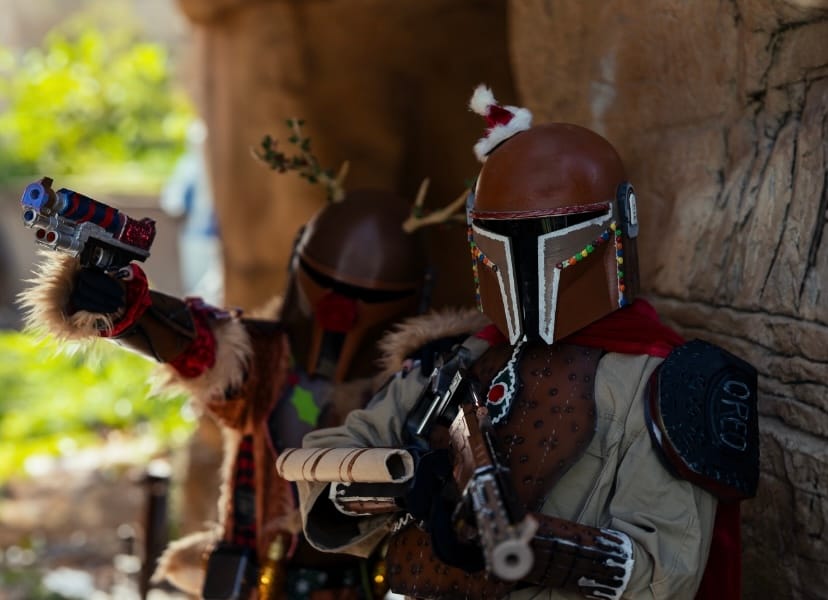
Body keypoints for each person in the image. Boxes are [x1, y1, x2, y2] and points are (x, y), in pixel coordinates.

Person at [295, 86, 759, 599]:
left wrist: (525, 542)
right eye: (504, 235)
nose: (526, 258)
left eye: (553, 229)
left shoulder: (666, 384)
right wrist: (401, 486)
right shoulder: (458, 359)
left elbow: (664, 572)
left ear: (616, 223)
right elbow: (322, 459)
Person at [19, 164, 436, 599]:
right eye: (329, 284)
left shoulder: (416, 385)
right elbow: (197, 345)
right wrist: (124, 308)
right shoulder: (262, 359)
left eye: (371, 296)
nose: (343, 309)